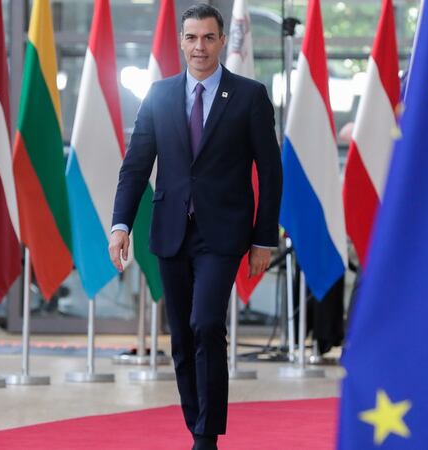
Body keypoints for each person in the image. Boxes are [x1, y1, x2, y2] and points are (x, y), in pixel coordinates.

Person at [108, 4, 282, 450]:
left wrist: (264, 238)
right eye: (191, 38)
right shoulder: (159, 96)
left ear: (222, 41)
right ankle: (195, 422)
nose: (199, 47)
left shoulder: (249, 96)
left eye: (208, 37)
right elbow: (135, 167)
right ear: (181, 42)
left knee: (207, 324)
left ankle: (206, 437)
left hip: (223, 235)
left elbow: (271, 170)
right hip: (170, 231)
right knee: (182, 336)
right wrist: (120, 224)